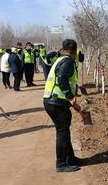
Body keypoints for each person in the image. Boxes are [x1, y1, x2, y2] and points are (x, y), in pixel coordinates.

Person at [43, 39, 83, 173]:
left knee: (64, 131)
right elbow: (61, 78)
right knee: (62, 132)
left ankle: (70, 159)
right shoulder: (68, 62)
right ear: (74, 51)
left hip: (55, 102)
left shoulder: (60, 60)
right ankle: (61, 164)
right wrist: (71, 98)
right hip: (56, 103)